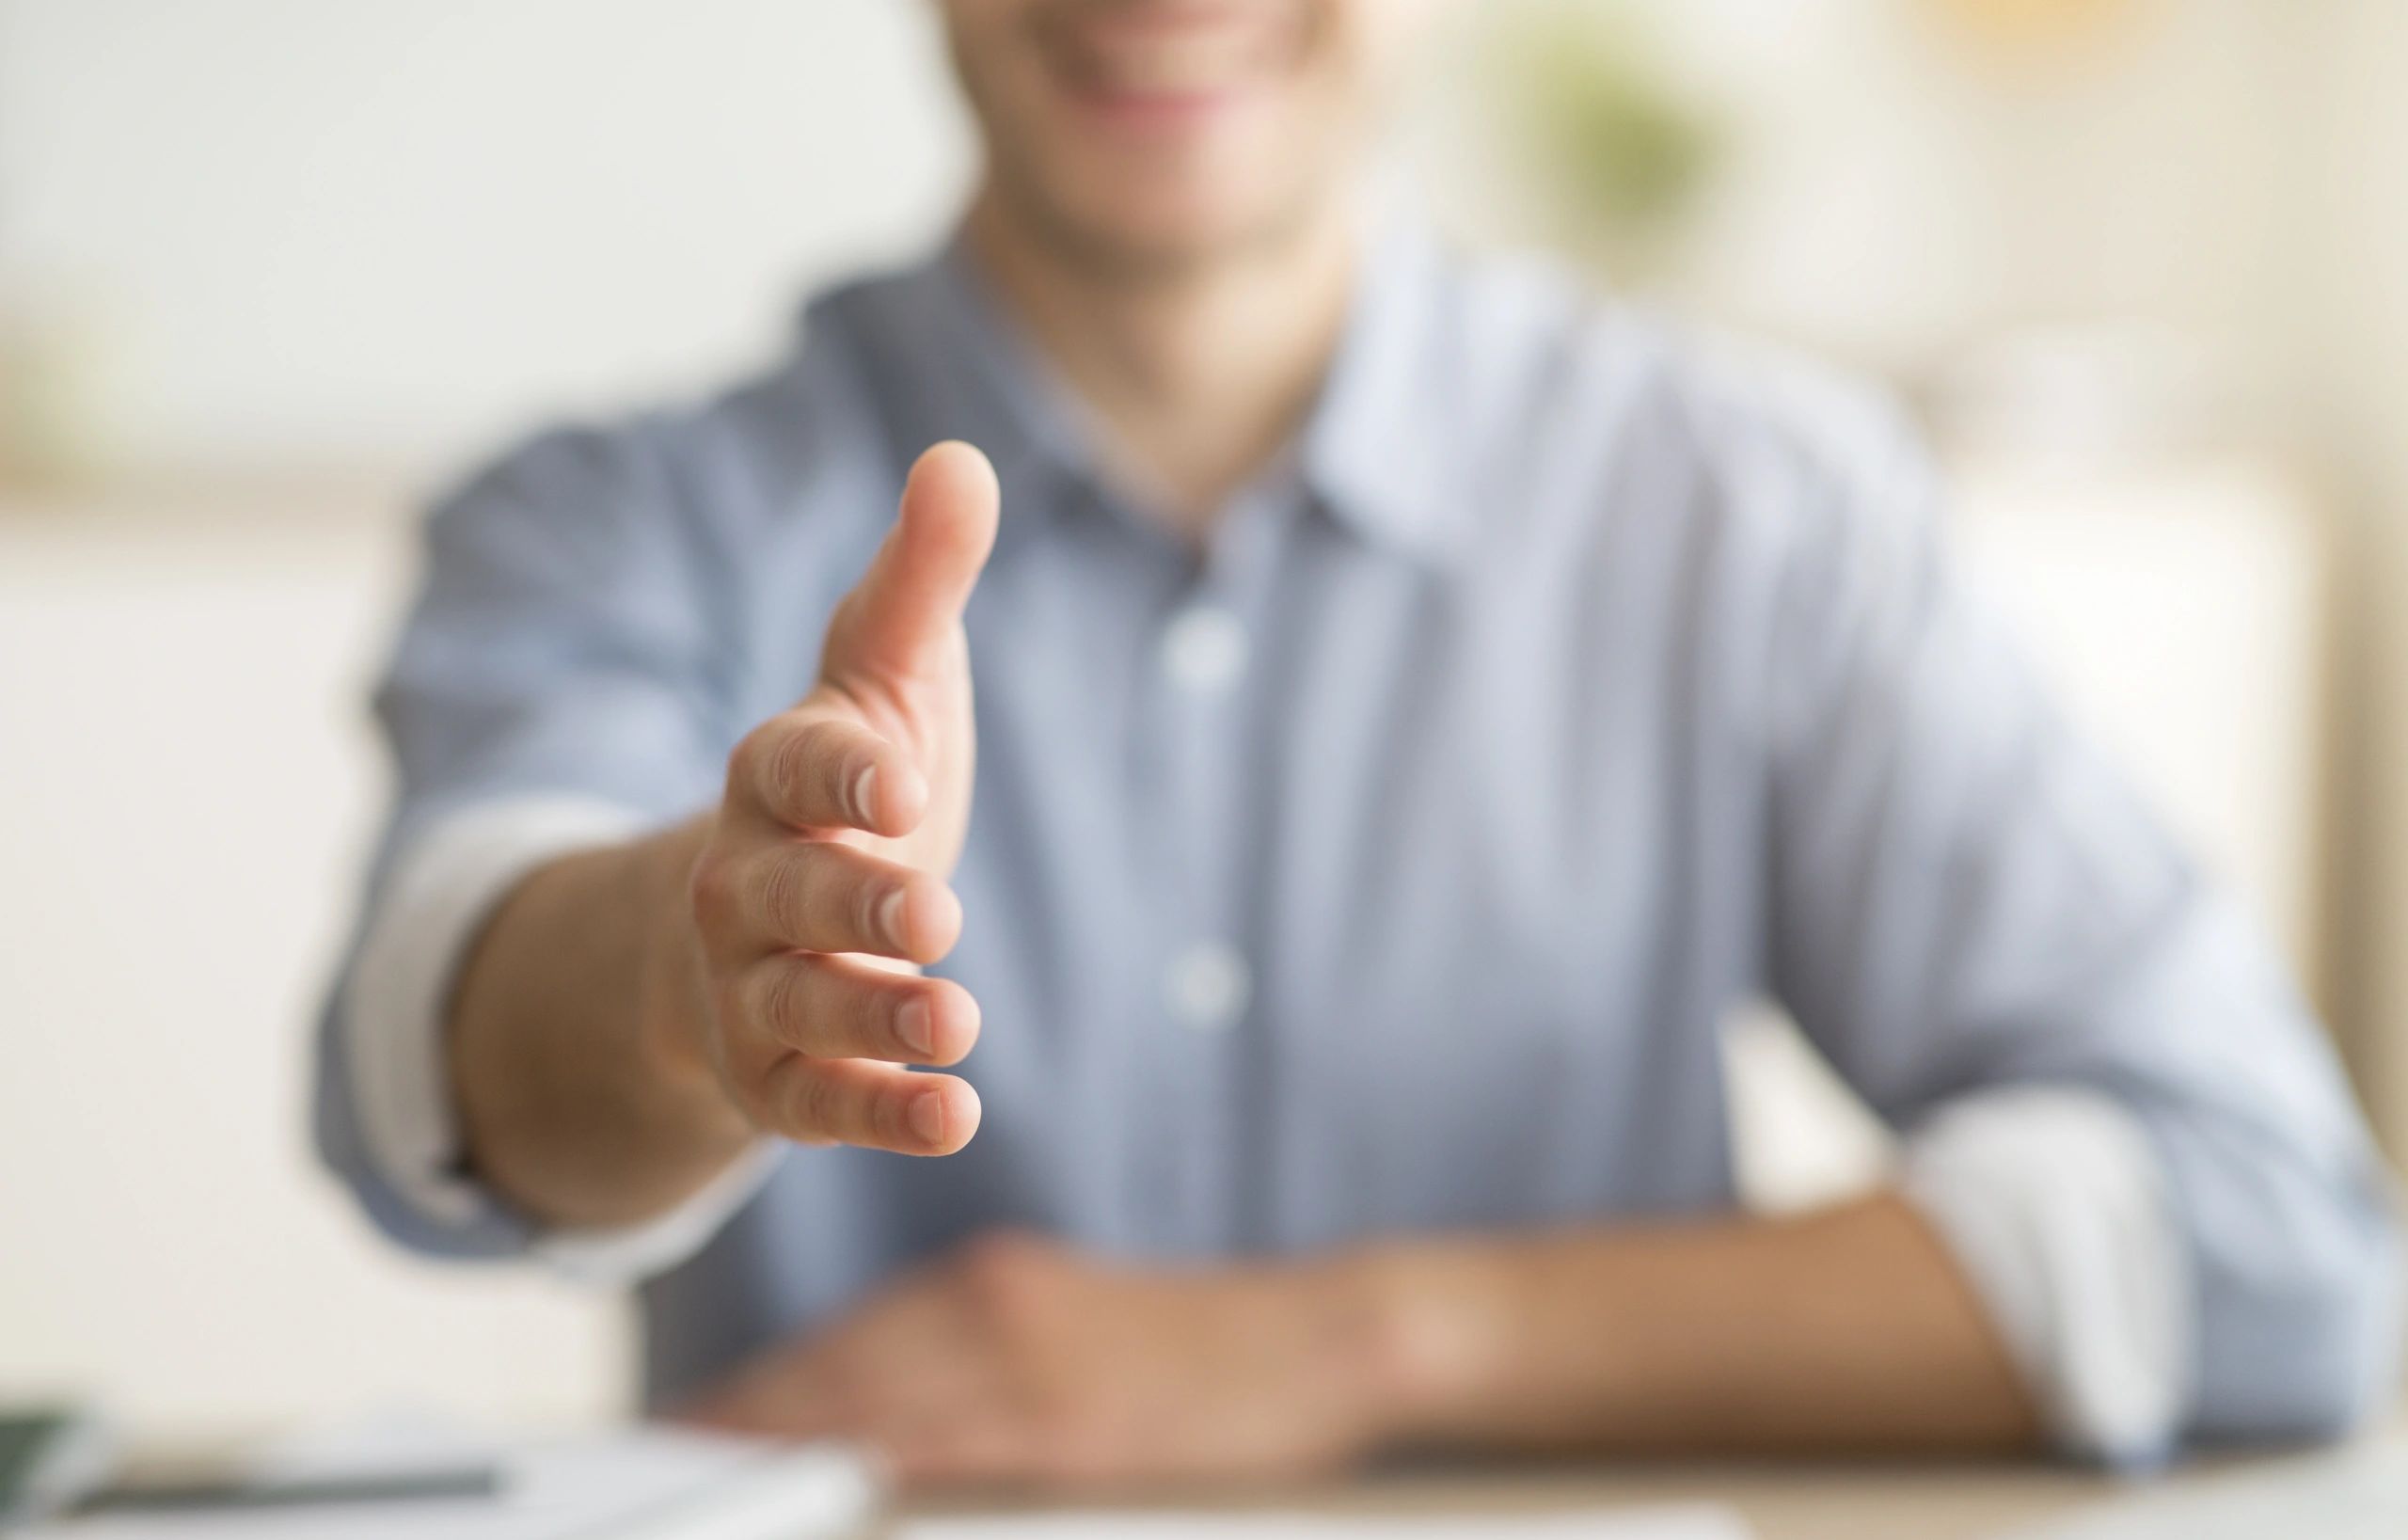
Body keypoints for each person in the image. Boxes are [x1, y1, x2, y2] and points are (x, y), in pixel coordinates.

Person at [317, 0, 2400, 1491]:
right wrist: (697, 978)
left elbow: (2269, 1239)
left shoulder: (1751, 509)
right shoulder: (609, 515)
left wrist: (1345, 1345)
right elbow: (443, 1038)